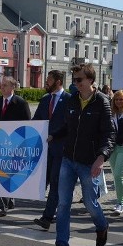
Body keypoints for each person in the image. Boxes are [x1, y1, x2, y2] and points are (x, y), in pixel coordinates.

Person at [46, 63, 114, 246]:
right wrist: (53, 135)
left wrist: (101, 158)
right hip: (68, 159)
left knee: (90, 204)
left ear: (91, 80)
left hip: (89, 161)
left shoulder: (102, 102)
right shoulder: (72, 100)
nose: (75, 84)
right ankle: (61, 245)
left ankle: (102, 225)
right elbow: (68, 126)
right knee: (63, 203)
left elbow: (109, 134)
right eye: (74, 80)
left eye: (79, 80)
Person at [0, 76, 31, 215]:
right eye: (1, 84)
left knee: (6, 173)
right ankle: (8, 201)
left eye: (5, 85)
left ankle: (2, 205)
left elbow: (27, 124)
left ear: (12, 87)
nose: (1, 87)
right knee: (3, 173)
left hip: (15, 145)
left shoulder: (21, 103)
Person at [32, 70, 71, 230]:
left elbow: (69, 124)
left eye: (49, 80)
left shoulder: (69, 99)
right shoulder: (45, 99)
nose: (46, 82)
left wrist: (55, 135)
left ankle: (47, 217)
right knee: (41, 180)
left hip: (60, 149)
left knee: (55, 182)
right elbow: (36, 121)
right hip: (43, 150)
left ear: (58, 81)